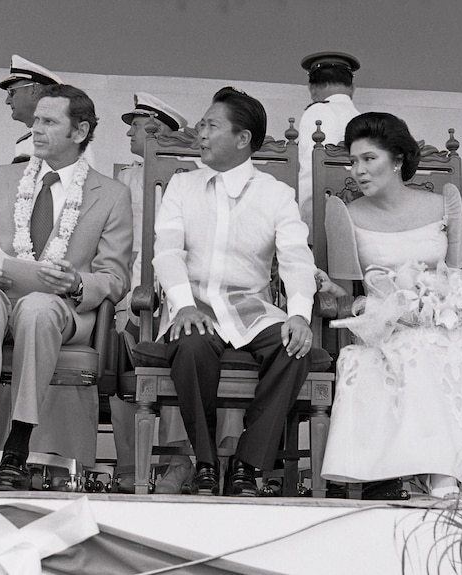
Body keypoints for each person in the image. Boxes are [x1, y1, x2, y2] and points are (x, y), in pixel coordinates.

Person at [319, 112, 462, 498]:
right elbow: (344, 298)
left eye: (369, 159)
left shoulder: (442, 203)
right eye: (353, 160)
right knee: (417, 349)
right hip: (383, 320)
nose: (358, 170)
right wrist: (333, 294)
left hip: (444, 313)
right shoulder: (344, 213)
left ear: (396, 161)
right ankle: (439, 472)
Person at [0, 85, 132, 490]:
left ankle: (16, 447)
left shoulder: (112, 194)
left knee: (38, 309)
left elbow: (116, 278)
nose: (36, 129)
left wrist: (77, 281)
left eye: (48, 122)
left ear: (80, 132)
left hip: (59, 309)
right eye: (36, 121)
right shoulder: (2, 178)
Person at [154, 87, 316, 496]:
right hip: (193, 304)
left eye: (211, 125)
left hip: (250, 308)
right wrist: (185, 305)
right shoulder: (182, 186)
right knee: (191, 343)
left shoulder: (276, 194)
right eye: (201, 125)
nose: (200, 134)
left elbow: (296, 259)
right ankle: (205, 462)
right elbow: (167, 252)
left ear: (243, 138)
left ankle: (248, 463)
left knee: (293, 347)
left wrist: (298, 314)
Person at [110, 92, 194, 494]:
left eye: (136, 123)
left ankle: (179, 463)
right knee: (121, 373)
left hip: (174, 287)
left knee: (173, 367)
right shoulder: (123, 177)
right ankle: (130, 465)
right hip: (126, 284)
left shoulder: (189, 177)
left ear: (158, 129)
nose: (128, 130)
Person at [297, 51, 361, 240]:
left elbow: (311, 174)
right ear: (353, 87)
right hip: (361, 216)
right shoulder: (362, 119)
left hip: (325, 223)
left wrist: (305, 226)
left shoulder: (318, 111)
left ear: (312, 88)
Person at [0, 55, 63, 163]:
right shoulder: (23, 145)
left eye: (12, 92)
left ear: (34, 90)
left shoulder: (68, 138)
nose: (7, 101)